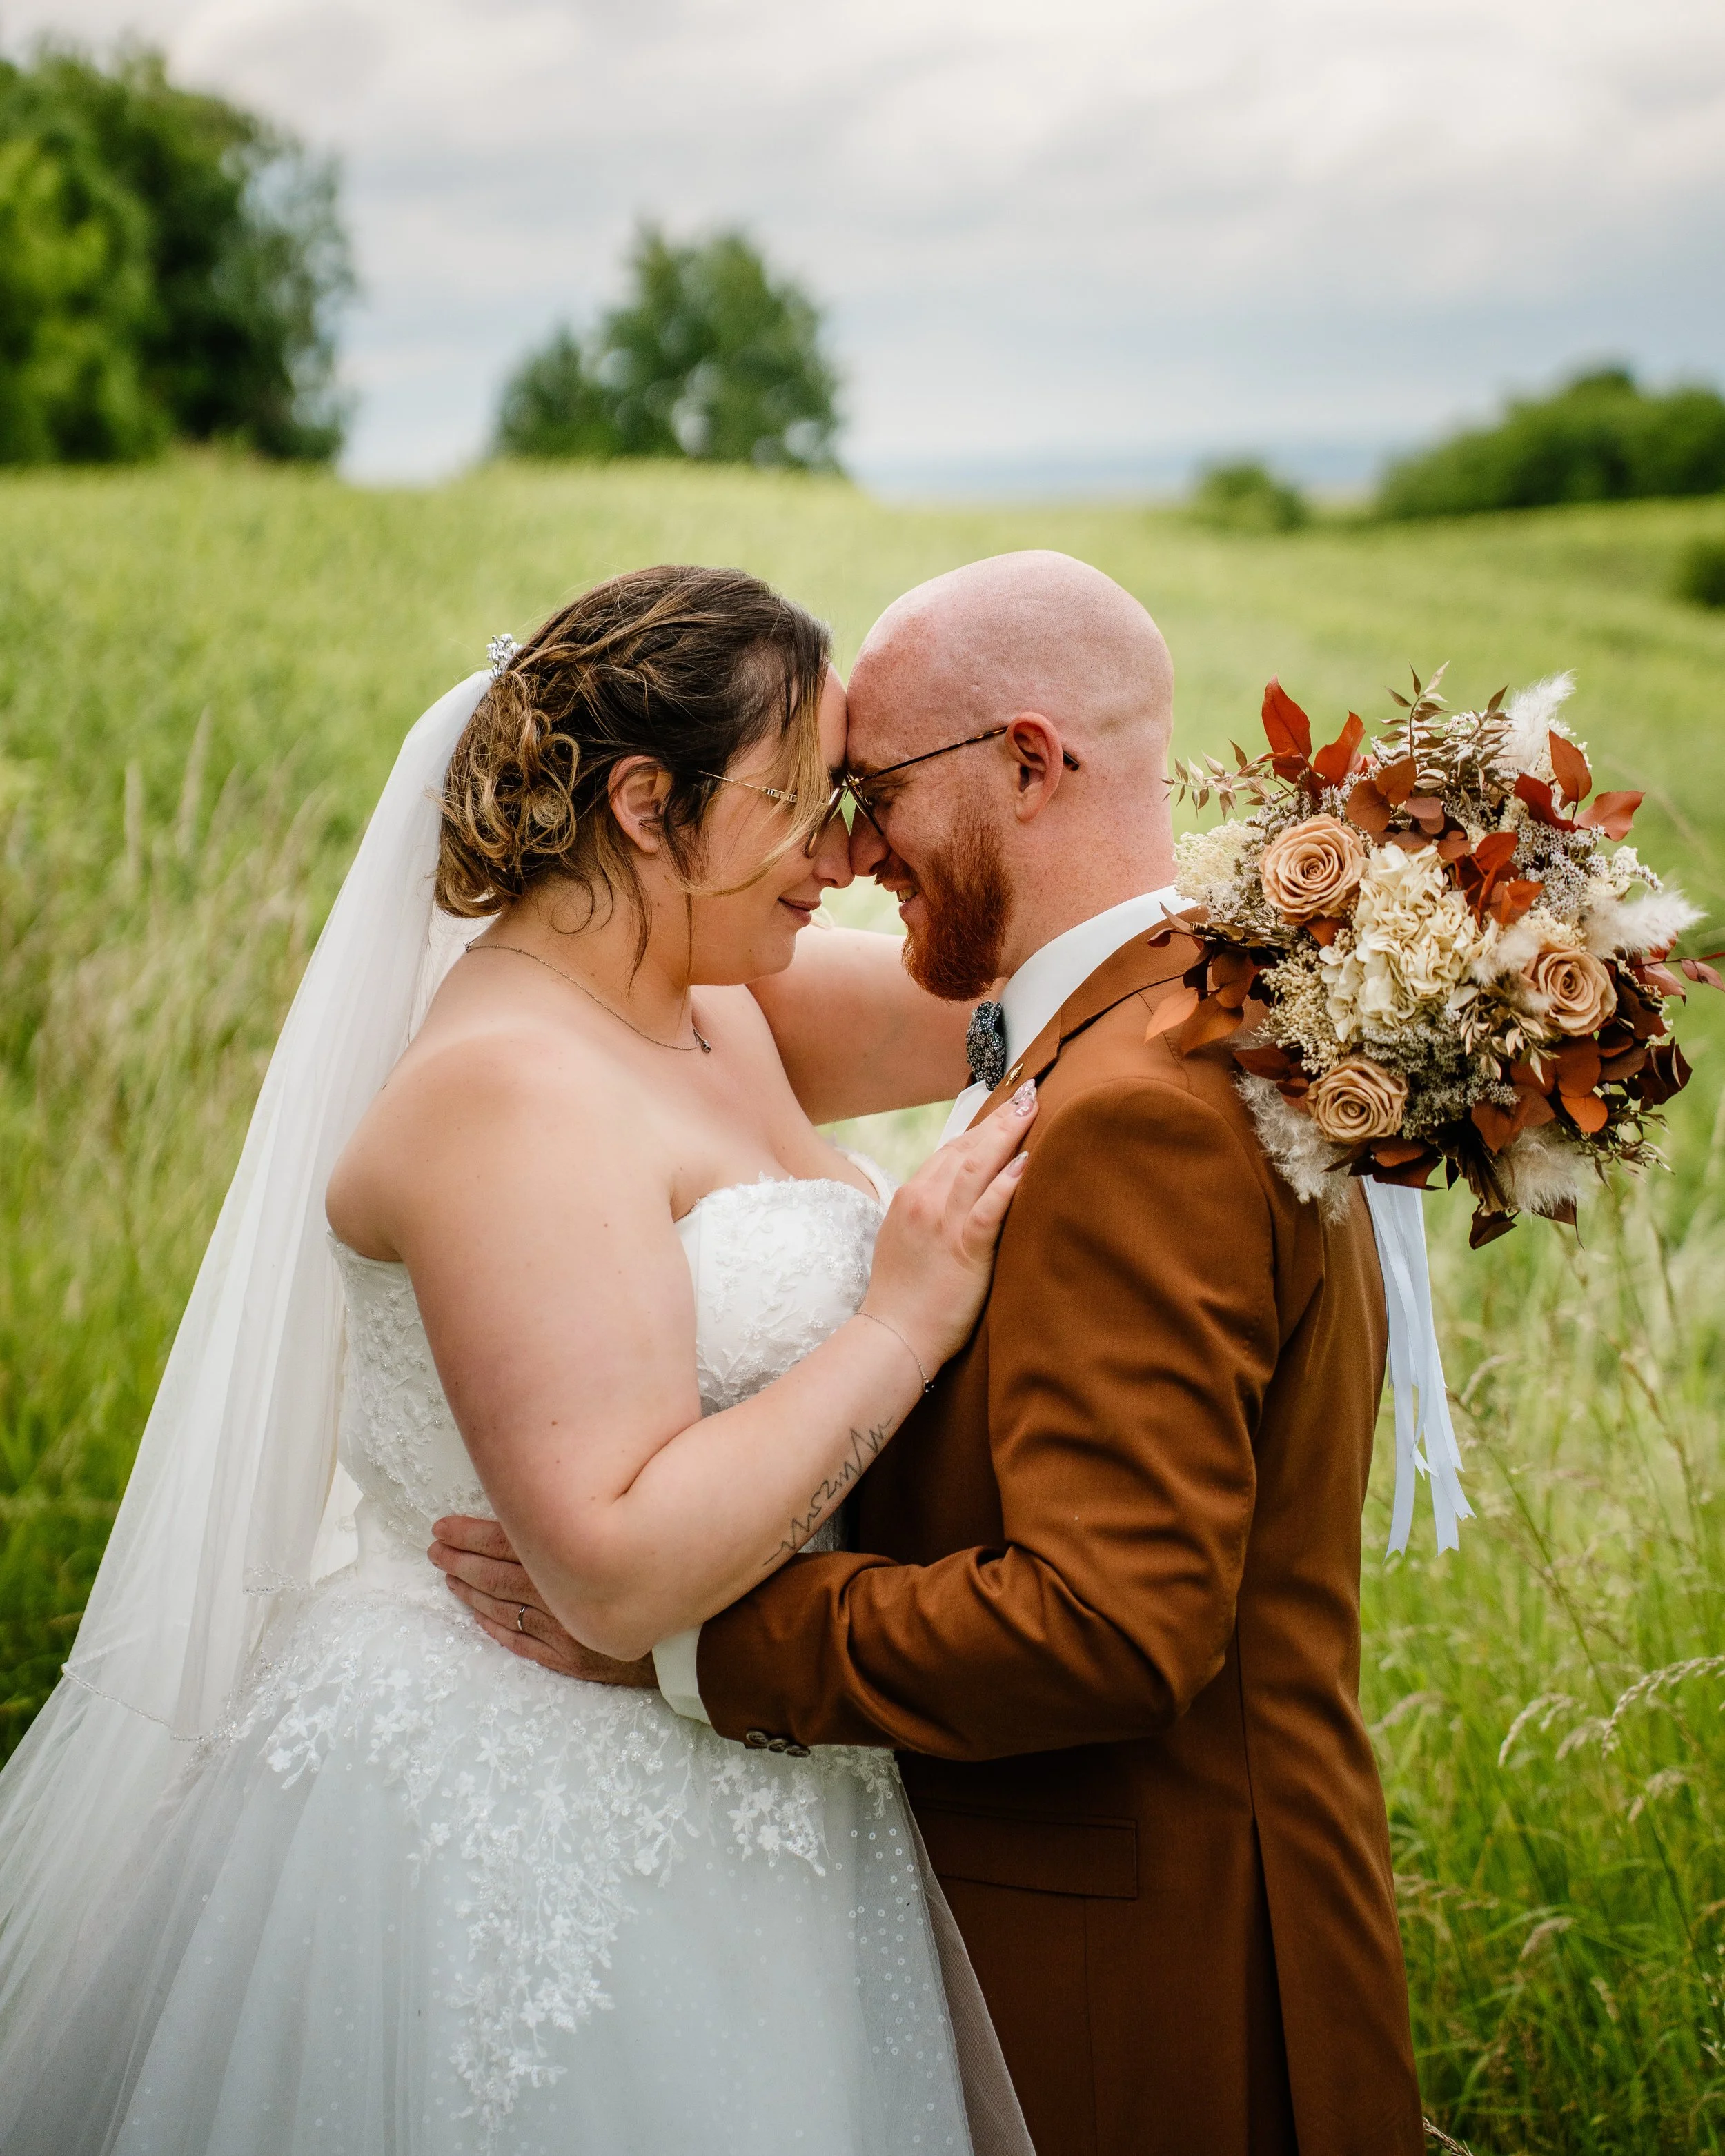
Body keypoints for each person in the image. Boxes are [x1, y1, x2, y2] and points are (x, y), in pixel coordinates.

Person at [0, 566, 1040, 2156]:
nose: (843, 852)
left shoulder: (712, 1004)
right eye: (802, 803)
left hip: (757, 1782)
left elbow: (1019, 992)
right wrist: (901, 1319)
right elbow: (612, 1571)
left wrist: (1356, 927)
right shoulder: (511, 1095)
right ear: (644, 802)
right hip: (529, 1814)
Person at [437, 551, 1429, 2156]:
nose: (848, 846)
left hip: (1144, 1970)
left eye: (871, 789)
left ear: (1028, 763)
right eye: (813, 798)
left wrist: (689, 1651)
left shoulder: (1133, 1109)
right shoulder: (1159, 1018)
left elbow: (1110, 1624)